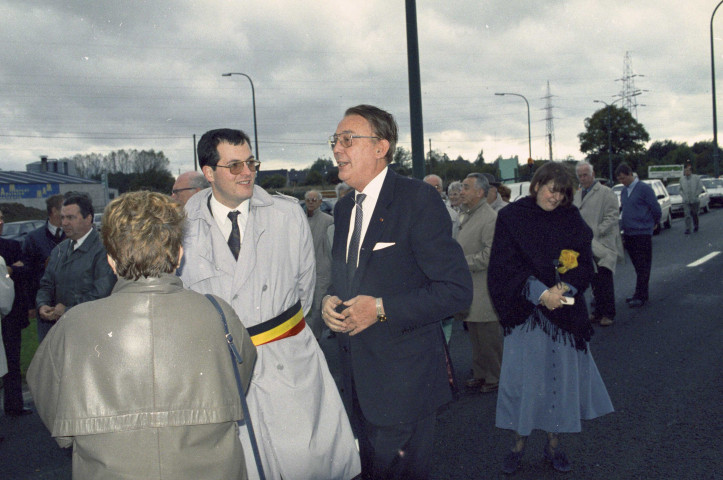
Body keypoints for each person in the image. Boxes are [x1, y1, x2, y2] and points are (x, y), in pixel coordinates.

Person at [28, 191, 257, 480]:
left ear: (111, 260)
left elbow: (47, 396)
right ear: (178, 256)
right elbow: (240, 379)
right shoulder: (219, 314)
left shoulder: (73, 325)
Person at [178, 128, 360, 480]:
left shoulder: (287, 215)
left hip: (286, 359)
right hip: (220, 370)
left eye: (251, 162)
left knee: (304, 461)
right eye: (234, 166)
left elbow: (304, 289)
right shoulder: (182, 227)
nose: (247, 172)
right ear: (209, 172)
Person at [322, 105, 473, 479]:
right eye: (335, 141)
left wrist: (381, 309)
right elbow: (348, 281)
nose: (337, 149)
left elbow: (456, 291)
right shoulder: (343, 210)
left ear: (380, 147)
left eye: (347, 139)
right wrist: (329, 299)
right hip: (358, 384)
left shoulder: (417, 200)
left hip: (404, 388)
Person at [488, 162, 614, 474]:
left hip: (564, 318)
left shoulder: (571, 218)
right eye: (550, 189)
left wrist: (566, 287)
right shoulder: (511, 217)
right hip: (527, 316)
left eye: (562, 193)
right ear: (536, 184)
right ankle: (517, 446)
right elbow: (504, 268)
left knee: (559, 383)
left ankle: (554, 447)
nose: (555, 198)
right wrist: (540, 293)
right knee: (524, 383)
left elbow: (584, 262)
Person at [36, 192, 117, 341]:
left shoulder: (104, 249)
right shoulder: (59, 250)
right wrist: (43, 304)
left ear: (88, 219)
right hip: (62, 333)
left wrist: (67, 310)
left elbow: (101, 293)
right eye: (62, 217)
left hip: (92, 333)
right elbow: (46, 284)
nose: (64, 223)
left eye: (71, 217)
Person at [457, 173, 503, 394]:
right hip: (470, 287)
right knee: (475, 335)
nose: (461, 191)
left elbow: (489, 255)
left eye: (466, 187)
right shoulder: (468, 214)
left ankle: (495, 376)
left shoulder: (489, 218)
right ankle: (480, 373)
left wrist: (460, 263)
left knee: (488, 336)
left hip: (484, 288)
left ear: (480, 192)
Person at [574, 162, 624, 327]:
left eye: (585, 175)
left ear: (593, 174)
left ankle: (608, 313)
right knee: (593, 280)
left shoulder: (606, 192)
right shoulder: (577, 193)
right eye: (580, 176)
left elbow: (612, 215)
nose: (583, 178)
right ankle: (597, 311)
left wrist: (597, 231)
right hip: (585, 244)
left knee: (604, 279)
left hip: (602, 243)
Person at [615, 163, 661, 308]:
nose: (622, 181)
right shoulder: (624, 191)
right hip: (629, 233)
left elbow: (655, 208)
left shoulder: (644, 189)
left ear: (630, 174)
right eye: (619, 179)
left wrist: (654, 223)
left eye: (623, 178)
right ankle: (641, 293)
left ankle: (640, 295)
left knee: (643, 265)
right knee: (637, 266)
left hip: (642, 233)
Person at [0, 210, 31, 416]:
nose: (1, 222)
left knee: (12, 360)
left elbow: (25, 271)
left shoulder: (11, 246)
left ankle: (14, 405)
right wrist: (8, 270)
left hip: (9, 316)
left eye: (1, 218)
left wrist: (10, 270)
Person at [22, 194, 65, 340]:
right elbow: (27, 274)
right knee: (48, 349)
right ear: (54, 211)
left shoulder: (73, 236)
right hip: (45, 306)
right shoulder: (33, 239)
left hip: (69, 304)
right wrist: (31, 305)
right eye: (65, 207)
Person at [305, 189, 334, 339]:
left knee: (318, 305)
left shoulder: (328, 221)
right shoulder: (301, 220)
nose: (311, 202)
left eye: (314, 200)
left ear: (320, 202)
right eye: (308, 200)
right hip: (304, 271)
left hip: (323, 269)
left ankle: (315, 338)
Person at [424, 174, 459, 238]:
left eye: (437, 187)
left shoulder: (452, 215)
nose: (433, 190)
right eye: (428, 186)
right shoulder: (411, 214)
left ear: (441, 189)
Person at [679, 162, 703, 234]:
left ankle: (696, 225)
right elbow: (680, 189)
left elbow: (700, 187)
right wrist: (683, 196)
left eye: (688, 170)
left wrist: (696, 195)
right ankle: (688, 228)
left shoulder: (696, 178)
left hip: (695, 200)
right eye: (685, 171)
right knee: (687, 214)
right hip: (686, 200)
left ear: (691, 171)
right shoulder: (682, 179)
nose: (687, 172)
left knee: (695, 214)